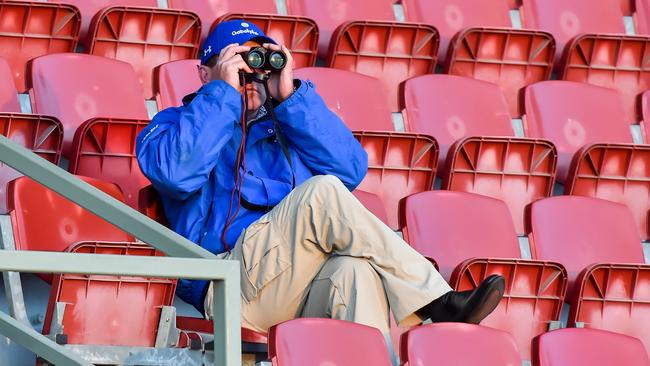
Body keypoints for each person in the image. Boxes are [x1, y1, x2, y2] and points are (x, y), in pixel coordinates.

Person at [136, 20, 505, 342]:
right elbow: (177, 174)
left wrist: (290, 97)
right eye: (235, 64)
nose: (249, 76)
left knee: (356, 272)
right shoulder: (172, 124)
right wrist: (222, 93)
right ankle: (436, 301)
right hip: (227, 287)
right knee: (321, 192)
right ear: (205, 72)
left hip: (290, 286)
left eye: (256, 65)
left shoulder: (285, 124)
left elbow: (350, 170)